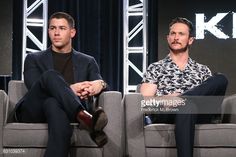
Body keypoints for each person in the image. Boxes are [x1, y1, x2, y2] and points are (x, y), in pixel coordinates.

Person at [13, 12, 109, 157]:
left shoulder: (87, 61)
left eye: (62, 28)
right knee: (49, 76)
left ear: (72, 32)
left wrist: (101, 84)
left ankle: (83, 117)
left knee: (53, 104)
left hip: (60, 110)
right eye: (52, 28)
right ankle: (84, 117)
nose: (56, 33)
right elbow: (35, 87)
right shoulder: (33, 58)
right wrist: (71, 88)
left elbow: (98, 83)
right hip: (33, 110)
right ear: (48, 31)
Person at [140, 17, 228, 157]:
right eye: (173, 34)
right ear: (168, 38)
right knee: (186, 107)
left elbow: (210, 100)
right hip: (169, 112)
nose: (176, 37)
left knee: (221, 79)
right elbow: (144, 104)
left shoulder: (202, 70)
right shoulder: (155, 68)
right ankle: (184, 101)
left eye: (181, 34)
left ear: (190, 40)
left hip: (199, 113)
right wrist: (166, 99)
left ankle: (183, 98)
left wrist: (180, 98)